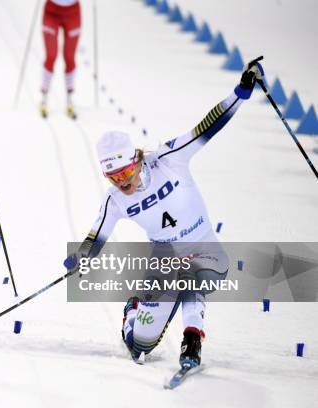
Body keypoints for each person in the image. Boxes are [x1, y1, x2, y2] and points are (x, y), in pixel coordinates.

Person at [66, 60, 264, 368]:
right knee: (139, 345)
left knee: (193, 277)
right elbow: (96, 235)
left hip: (205, 248)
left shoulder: (169, 158)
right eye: (113, 178)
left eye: (125, 172)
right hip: (164, 258)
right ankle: (135, 309)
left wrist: (240, 92)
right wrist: (82, 256)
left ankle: (192, 337)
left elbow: (206, 127)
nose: (122, 182)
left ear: (136, 158)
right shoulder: (115, 200)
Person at [40, 0, 81, 119]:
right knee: (51, 55)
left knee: (69, 57)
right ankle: (44, 98)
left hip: (72, 12)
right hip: (52, 12)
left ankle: (70, 99)